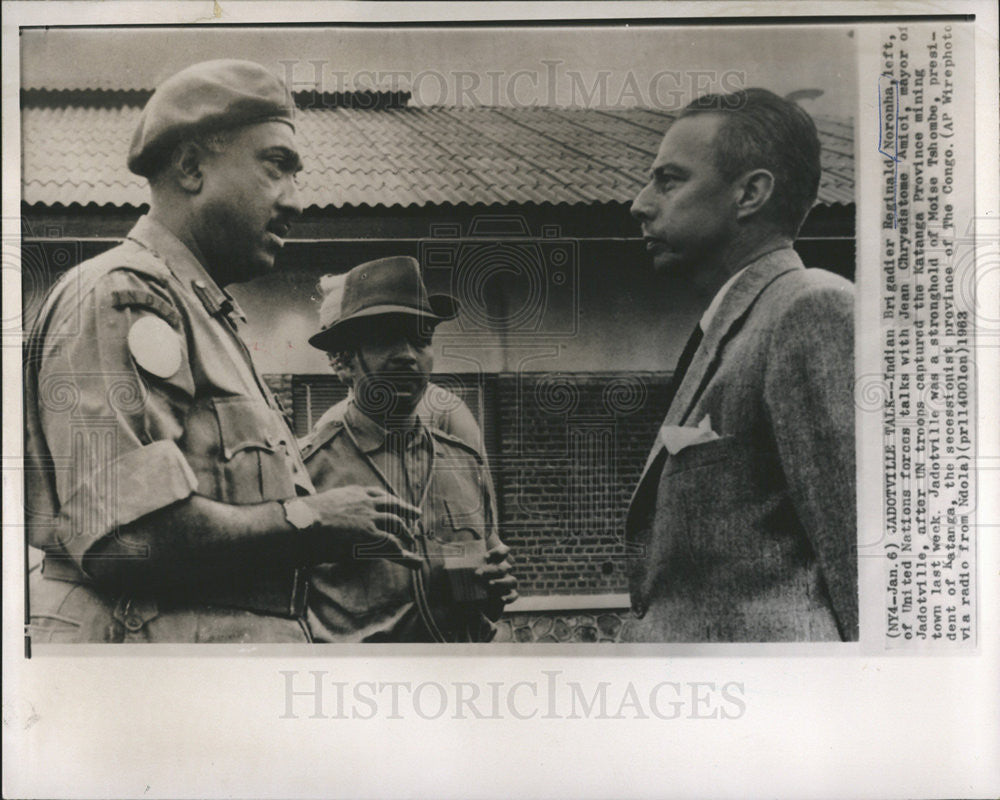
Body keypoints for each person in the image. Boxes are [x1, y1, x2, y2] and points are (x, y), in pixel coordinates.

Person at [23, 60, 419, 643]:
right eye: (276, 166)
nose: (295, 201)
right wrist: (312, 518)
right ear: (191, 167)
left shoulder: (202, 313)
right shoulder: (124, 296)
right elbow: (125, 542)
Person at [624, 88, 857, 642]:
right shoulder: (729, 327)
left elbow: (863, 562)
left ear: (749, 193)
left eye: (669, 180)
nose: (639, 203)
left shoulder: (809, 307)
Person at [299, 256, 517, 642]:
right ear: (344, 361)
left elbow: (486, 593)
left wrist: (494, 585)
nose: (407, 355)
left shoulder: (463, 462)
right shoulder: (306, 469)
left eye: (421, 339)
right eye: (385, 338)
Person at [309, 273, 486, 455]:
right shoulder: (330, 423)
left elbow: (472, 478)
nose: (338, 358)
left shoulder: (444, 410)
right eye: (335, 348)